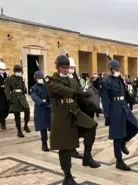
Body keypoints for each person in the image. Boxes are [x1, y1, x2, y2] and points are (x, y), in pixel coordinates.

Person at [45, 55, 101, 185]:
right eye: (63, 68)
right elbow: (63, 90)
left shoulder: (72, 80)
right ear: (57, 67)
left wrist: (92, 106)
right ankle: (68, 176)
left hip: (75, 112)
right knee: (65, 146)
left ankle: (87, 157)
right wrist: (79, 93)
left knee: (91, 126)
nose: (66, 70)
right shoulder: (51, 80)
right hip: (61, 115)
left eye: (68, 67)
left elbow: (82, 98)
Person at [100, 60, 138, 171]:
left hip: (124, 107)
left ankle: (124, 142)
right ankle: (119, 161)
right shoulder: (106, 81)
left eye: (119, 69)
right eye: (116, 70)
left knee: (135, 126)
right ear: (110, 70)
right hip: (114, 109)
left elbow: (125, 93)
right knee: (117, 136)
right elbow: (105, 100)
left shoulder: (120, 80)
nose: (118, 71)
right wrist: (107, 116)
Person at [4, 65, 31, 138]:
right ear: (14, 71)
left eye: (20, 71)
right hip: (15, 98)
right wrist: (9, 99)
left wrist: (24, 86)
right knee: (17, 115)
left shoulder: (21, 78)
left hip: (22, 97)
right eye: (18, 71)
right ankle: (19, 130)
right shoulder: (9, 79)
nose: (19, 72)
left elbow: (24, 89)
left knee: (27, 110)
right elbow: (6, 90)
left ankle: (26, 125)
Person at [30, 71, 51, 152]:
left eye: (41, 78)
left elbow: (50, 94)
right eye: (39, 78)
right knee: (43, 128)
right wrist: (43, 103)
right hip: (41, 109)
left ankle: (54, 142)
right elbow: (35, 98)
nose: (40, 79)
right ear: (35, 79)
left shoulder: (46, 86)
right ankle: (44, 144)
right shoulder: (34, 88)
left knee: (52, 126)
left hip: (49, 108)